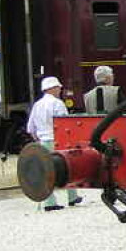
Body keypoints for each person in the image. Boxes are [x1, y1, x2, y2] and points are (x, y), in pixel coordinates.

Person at [26, 76, 81, 211]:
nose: (60, 90)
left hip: (43, 142)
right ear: (53, 88)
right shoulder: (58, 104)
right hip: (58, 141)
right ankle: (72, 197)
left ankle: (50, 202)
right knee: (68, 168)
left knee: (47, 172)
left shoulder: (37, 105)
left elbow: (30, 128)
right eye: (58, 88)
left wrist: (38, 140)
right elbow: (65, 124)